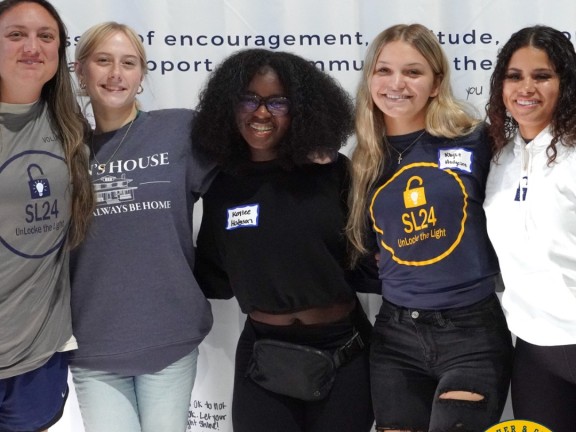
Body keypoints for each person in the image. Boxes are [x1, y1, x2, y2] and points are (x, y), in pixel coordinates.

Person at [192, 48, 374, 432]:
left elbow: (367, 260)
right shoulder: (223, 186)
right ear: (230, 106)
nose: (261, 112)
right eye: (249, 99)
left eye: (278, 102)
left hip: (343, 349)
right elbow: (216, 277)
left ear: (301, 111)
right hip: (263, 355)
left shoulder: (333, 173)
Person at [346, 23, 513, 432]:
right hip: (395, 336)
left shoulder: (475, 141)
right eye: (383, 71)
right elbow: (366, 248)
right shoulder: (363, 159)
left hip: (471, 333)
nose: (396, 83)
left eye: (413, 72)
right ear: (370, 79)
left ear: (436, 83)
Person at [68, 22, 215, 432]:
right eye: (103, 61)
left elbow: (248, 184)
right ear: (80, 71)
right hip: (94, 346)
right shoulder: (61, 148)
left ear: (141, 74)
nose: (116, 74)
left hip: (169, 336)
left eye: (128, 63)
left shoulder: (181, 130)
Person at [0, 0, 94, 430]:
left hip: (37, 357)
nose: (32, 47)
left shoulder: (69, 127)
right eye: (15, 34)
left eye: (46, 36)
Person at [484, 25, 576, 432]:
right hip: (534, 351)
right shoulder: (499, 158)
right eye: (515, 76)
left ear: (566, 84)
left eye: (542, 76)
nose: (527, 88)